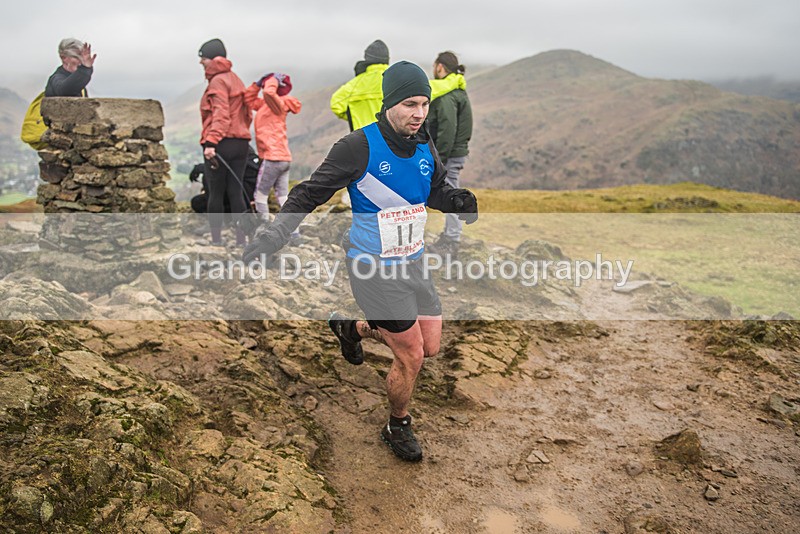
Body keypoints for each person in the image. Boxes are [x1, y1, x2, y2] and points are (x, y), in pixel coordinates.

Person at [244, 61, 478, 462]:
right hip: (373, 268)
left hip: (415, 262)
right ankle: (396, 425)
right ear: (389, 104)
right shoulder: (358, 147)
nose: (419, 113)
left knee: (431, 346)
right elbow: (307, 193)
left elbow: (433, 189)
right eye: (409, 104)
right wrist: (274, 234)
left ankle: (350, 328)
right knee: (412, 355)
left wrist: (455, 200)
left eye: (423, 104)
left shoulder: (424, 143)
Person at [330, 40, 467, 132]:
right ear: (387, 59)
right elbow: (433, 88)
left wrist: (357, 116)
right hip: (392, 140)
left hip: (362, 141)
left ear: (367, 59)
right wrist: (456, 79)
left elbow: (336, 104)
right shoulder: (395, 79)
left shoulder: (354, 86)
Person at [198, 38, 252, 246]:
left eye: (203, 58)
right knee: (236, 192)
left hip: (221, 142)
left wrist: (211, 142)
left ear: (212, 59)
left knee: (215, 192)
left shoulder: (218, 81)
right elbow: (247, 114)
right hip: (241, 143)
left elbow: (221, 114)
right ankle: (241, 240)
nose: (201, 62)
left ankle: (216, 241)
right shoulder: (236, 79)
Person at [244, 71, 302, 243]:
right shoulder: (265, 106)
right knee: (283, 197)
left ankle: (265, 231)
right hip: (283, 158)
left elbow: (269, 92)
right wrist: (256, 83)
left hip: (272, 157)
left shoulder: (277, 104)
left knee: (260, 196)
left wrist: (271, 81)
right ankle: (295, 233)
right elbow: (248, 100)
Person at [426, 51, 473, 258]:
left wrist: (440, 158)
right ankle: (449, 236)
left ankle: (452, 240)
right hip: (455, 152)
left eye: (435, 65)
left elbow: (447, 128)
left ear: (440, 67)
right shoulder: (457, 89)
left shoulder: (446, 95)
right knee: (451, 190)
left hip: (449, 154)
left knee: (451, 192)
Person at [189, 145, 260, 214]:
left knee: (198, 202)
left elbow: (227, 173)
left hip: (241, 198)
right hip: (249, 195)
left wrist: (203, 168)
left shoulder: (229, 150)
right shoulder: (245, 149)